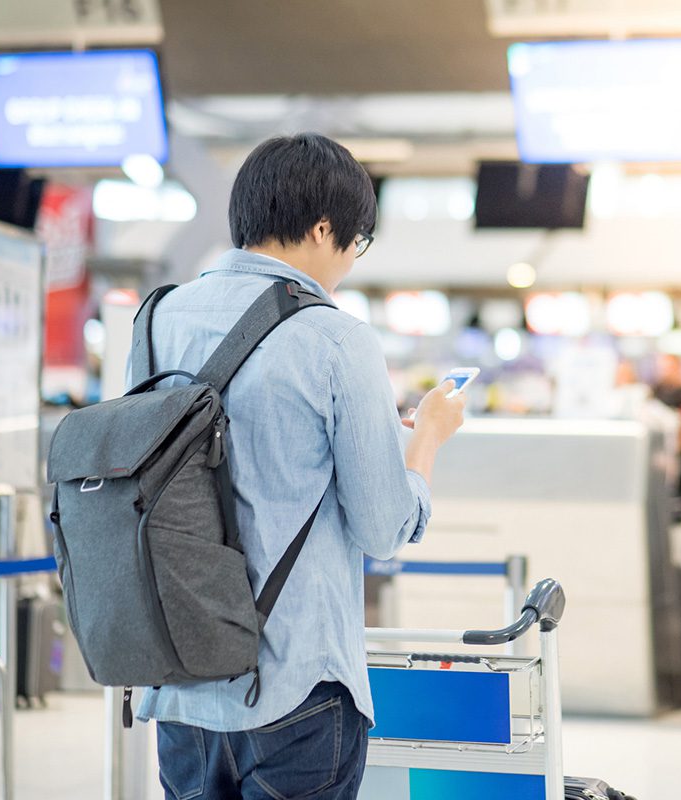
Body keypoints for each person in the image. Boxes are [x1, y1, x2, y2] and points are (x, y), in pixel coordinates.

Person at [136, 133, 466, 799]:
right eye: (354, 242)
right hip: (294, 682)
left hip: (180, 679)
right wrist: (427, 438)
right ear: (323, 229)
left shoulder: (156, 319)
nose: (348, 260)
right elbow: (383, 529)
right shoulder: (335, 336)